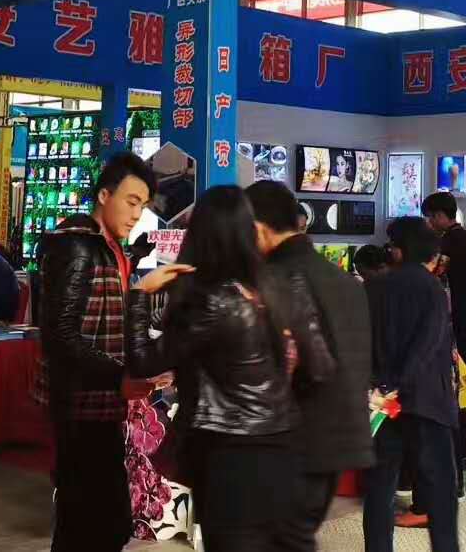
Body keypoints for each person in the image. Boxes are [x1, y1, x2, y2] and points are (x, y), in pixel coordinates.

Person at [127, 185, 334, 552]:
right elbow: (320, 368)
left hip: (228, 456)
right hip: (286, 446)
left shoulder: (212, 301)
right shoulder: (286, 288)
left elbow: (143, 361)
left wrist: (140, 295)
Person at [38, 152, 159, 552]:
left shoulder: (109, 248)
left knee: (99, 521)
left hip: (102, 401)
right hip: (80, 404)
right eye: (131, 201)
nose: (136, 214)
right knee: (91, 522)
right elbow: (60, 334)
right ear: (105, 195)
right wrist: (118, 376)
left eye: (142, 205)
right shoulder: (77, 246)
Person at [246, 180, 374, 552]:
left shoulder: (274, 280)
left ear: (257, 229)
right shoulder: (345, 281)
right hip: (336, 444)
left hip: (287, 444)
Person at [363, 217, 459, 552]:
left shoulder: (373, 287)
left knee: (380, 487)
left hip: (385, 404)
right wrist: (402, 380)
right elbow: (427, 343)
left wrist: (384, 386)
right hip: (428, 402)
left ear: (399, 250)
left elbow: (364, 343)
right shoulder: (433, 288)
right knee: (441, 489)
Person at [422, 192, 466, 493]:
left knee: (455, 395)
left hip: (457, 324)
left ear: (439, 215)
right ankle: (461, 458)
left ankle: (455, 462)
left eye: (430, 217)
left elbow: (436, 275)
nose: (428, 222)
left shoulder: (451, 242)